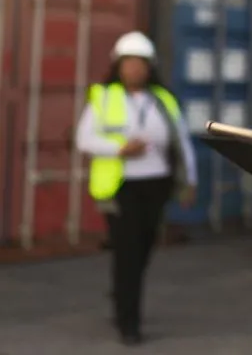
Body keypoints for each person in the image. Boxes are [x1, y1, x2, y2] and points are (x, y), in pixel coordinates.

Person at [76, 31, 198, 346]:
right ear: (118, 66)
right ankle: (129, 323)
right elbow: (84, 139)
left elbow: (181, 141)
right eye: (127, 63)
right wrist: (120, 149)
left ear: (149, 67)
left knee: (143, 249)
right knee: (128, 253)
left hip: (156, 184)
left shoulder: (164, 99)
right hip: (122, 187)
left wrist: (191, 180)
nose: (133, 69)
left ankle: (121, 295)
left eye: (139, 64)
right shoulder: (103, 97)